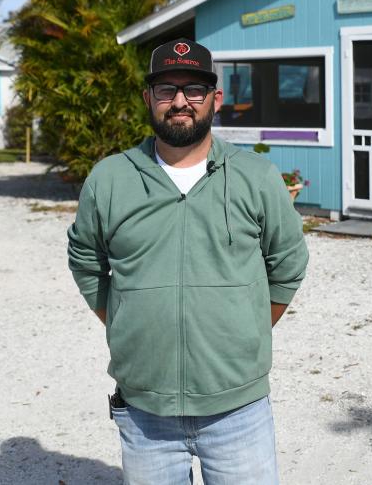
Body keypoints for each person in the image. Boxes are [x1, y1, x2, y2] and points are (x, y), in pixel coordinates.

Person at [67, 38, 308, 484]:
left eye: (193, 89)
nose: (180, 101)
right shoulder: (110, 178)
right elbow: (84, 258)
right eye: (166, 90)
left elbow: (288, 261)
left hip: (239, 413)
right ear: (148, 99)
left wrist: (248, 325)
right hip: (146, 415)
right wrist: (122, 319)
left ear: (216, 99)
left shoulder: (256, 177)